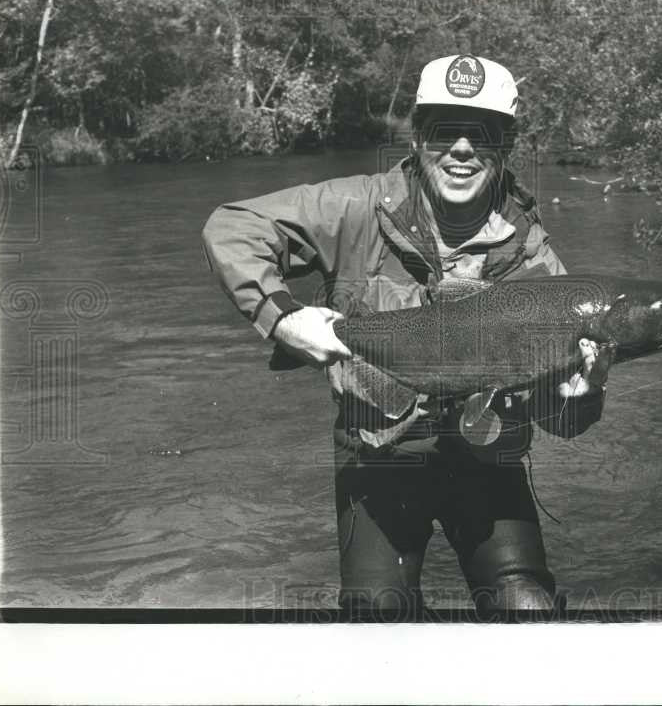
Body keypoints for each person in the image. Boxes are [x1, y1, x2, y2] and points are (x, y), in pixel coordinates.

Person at [202, 55, 609, 619]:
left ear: (506, 144)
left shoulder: (534, 260)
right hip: (378, 462)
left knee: (529, 614)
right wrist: (284, 316)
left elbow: (562, 423)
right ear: (418, 136)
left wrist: (580, 396)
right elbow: (232, 226)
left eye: (483, 133)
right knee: (376, 621)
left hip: (490, 467)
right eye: (445, 129)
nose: (462, 148)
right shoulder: (355, 207)